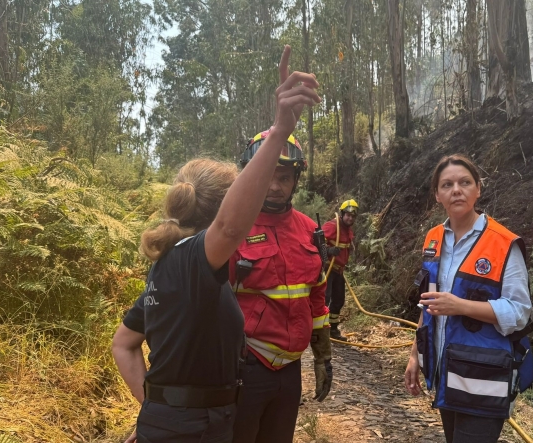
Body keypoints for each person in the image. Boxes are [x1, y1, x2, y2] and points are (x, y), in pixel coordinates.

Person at [110, 45, 321, 443]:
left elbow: (123, 343)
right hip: (192, 427)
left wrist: (155, 410)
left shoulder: (171, 265)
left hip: (195, 420)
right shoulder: (192, 260)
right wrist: (279, 130)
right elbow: (227, 229)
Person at [403, 154, 533, 443]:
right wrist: (415, 354)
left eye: (464, 182)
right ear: (437, 195)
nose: (456, 190)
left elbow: (520, 312)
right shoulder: (433, 239)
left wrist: (460, 306)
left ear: (478, 188)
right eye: (447, 184)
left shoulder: (503, 243)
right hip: (446, 374)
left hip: (484, 377)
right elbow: (428, 303)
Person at [229, 130, 334, 443]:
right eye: (267, 175)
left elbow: (317, 298)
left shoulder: (309, 230)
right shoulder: (231, 228)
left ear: (295, 180)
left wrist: (322, 357)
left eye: (285, 177)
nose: (275, 186)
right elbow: (207, 304)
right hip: (245, 368)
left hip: (289, 371)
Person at [323, 199, 358, 341]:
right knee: (324, 298)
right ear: (342, 214)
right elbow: (315, 244)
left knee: (338, 300)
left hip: (339, 271)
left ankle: (333, 329)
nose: (349, 218)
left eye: (352, 216)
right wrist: (329, 250)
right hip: (327, 268)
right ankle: (319, 329)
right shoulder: (332, 226)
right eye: (347, 215)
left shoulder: (348, 231)